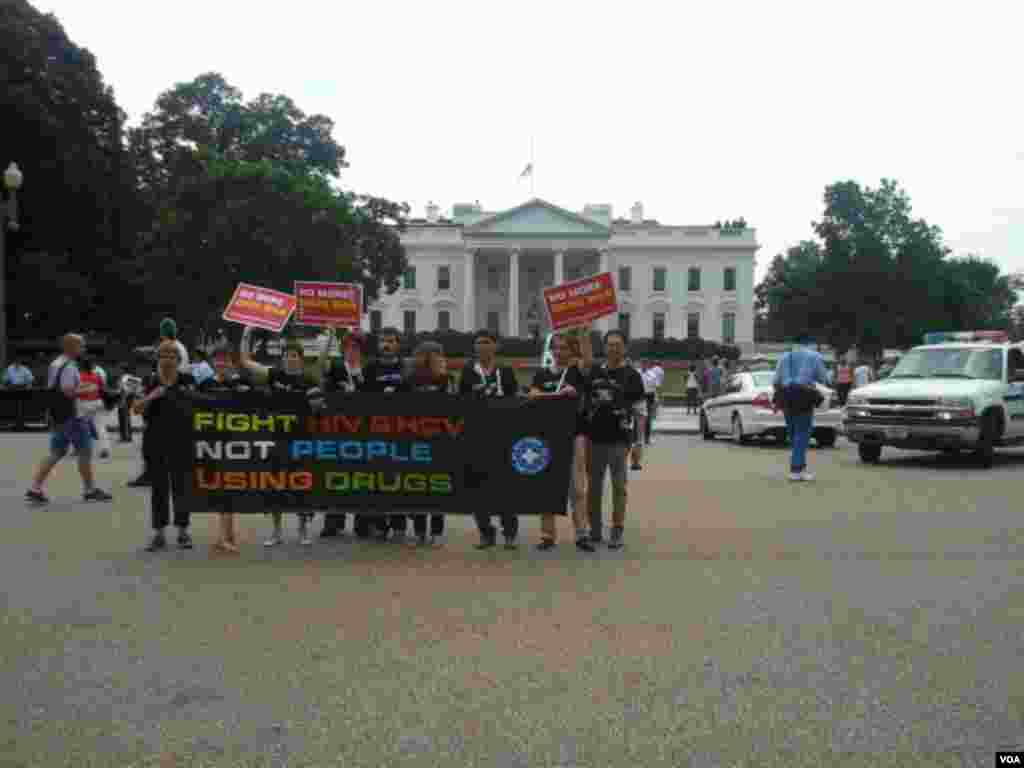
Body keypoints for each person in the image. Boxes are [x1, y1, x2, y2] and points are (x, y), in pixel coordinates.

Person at [240, 329, 319, 546]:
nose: (289, 359)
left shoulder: (309, 379)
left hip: (302, 440)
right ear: (282, 359)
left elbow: (319, 407)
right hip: (278, 439)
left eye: (294, 356)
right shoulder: (274, 375)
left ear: (301, 360)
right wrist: (247, 334)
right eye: (286, 356)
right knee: (275, 485)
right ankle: (276, 532)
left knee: (301, 485)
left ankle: (303, 531)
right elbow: (245, 361)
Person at [25, 334, 114, 505]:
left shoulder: (55, 363)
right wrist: (87, 389)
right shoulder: (70, 366)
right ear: (71, 347)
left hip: (58, 414)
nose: (84, 349)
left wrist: (80, 387)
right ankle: (89, 490)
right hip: (73, 415)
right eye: (81, 346)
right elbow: (68, 391)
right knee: (85, 451)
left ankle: (35, 488)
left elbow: (55, 387)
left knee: (56, 452)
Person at [530, 329, 594, 552]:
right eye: (555, 347)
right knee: (546, 485)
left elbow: (588, 360)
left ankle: (582, 534)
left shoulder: (577, 372)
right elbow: (533, 397)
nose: (559, 351)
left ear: (571, 350)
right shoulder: (541, 375)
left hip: (574, 435)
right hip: (547, 437)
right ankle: (547, 535)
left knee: (577, 488)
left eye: (564, 347)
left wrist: (585, 333)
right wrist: (540, 395)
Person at [582, 330, 645, 549]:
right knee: (594, 487)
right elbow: (585, 403)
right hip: (595, 438)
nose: (613, 349)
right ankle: (595, 530)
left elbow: (640, 411)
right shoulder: (594, 373)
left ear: (624, 348)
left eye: (617, 345)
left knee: (619, 486)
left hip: (620, 440)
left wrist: (639, 443)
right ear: (604, 347)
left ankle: (617, 529)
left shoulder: (632, 376)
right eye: (609, 344)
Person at [459, 329, 521, 549]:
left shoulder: (505, 372)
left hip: (503, 436)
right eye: (478, 343)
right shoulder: (468, 372)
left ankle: (510, 533)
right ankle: (485, 532)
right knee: (478, 487)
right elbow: (461, 403)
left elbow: (516, 401)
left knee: (505, 487)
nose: (482, 346)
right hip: (477, 436)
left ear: (496, 346)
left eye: (486, 342)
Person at [134, 340, 197, 551]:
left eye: (172, 355)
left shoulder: (188, 380)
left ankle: (183, 532)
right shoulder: (148, 381)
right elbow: (136, 408)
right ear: (158, 359)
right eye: (163, 355)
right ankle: (159, 533)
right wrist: (152, 395)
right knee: (159, 488)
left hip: (182, 440)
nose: (168, 359)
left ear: (179, 360)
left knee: (181, 486)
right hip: (155, 440)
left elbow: (200, 404)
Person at [400, 341, 455, 545]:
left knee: (438, 487)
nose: (430, 359)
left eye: (435, 355)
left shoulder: (446, 379)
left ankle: (437, 532)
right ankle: (420, 531)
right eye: (426, 355)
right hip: (416, 440)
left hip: (440, 439)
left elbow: (455, 405)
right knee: (419, 488)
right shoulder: (410, 380)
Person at [198, 346, 251, 553]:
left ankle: (227, 536)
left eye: (224, 359)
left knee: (228, 488)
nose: (221, 363)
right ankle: (225, 535)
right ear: (212, 362)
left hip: (233, 443)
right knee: (220, 489)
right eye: (217, 360)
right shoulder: (205, 384)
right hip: (212, 444)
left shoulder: (238, 383)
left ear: (230, 362)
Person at [356, 327, 407, 540]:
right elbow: (360, 397)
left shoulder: (406, 368)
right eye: (383, 341)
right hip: (374, 432)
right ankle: (376, 524)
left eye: (391, 341)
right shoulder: (369, 369)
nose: (386, 344)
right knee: (374, 481)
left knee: (397, 481)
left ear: (398, 344)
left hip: (400, 432)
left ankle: (398, 524)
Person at [317, 326, 364, 538]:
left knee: (362, 478)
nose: (352, 351)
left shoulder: (367, 369)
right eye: (348, 347)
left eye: (356, 347)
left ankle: (362, 522)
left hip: (364, 430)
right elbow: (320, 375)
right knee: (336, 476)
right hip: (339, 429)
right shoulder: (336, 367)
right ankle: (333, 522)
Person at [773, 335, 829, 482]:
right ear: (808, 343)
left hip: (787, 396)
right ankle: (796, 470)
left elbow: (776, 380)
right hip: (803, 396)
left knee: (793, 434)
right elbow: (823, 378)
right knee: (802, 434)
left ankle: (801, 468)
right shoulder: (814, 356)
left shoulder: (784, 357)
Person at [643, 361, 664, 445]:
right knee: (641, 418)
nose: (644, 366)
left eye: (645, 364)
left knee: (647, 417)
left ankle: (646, 438)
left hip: (648, 395)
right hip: (641, 395)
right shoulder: (638, 372)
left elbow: (656, 385)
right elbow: (658, 385)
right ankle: (640, 438)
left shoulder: (651, 373)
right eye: (643, 364)